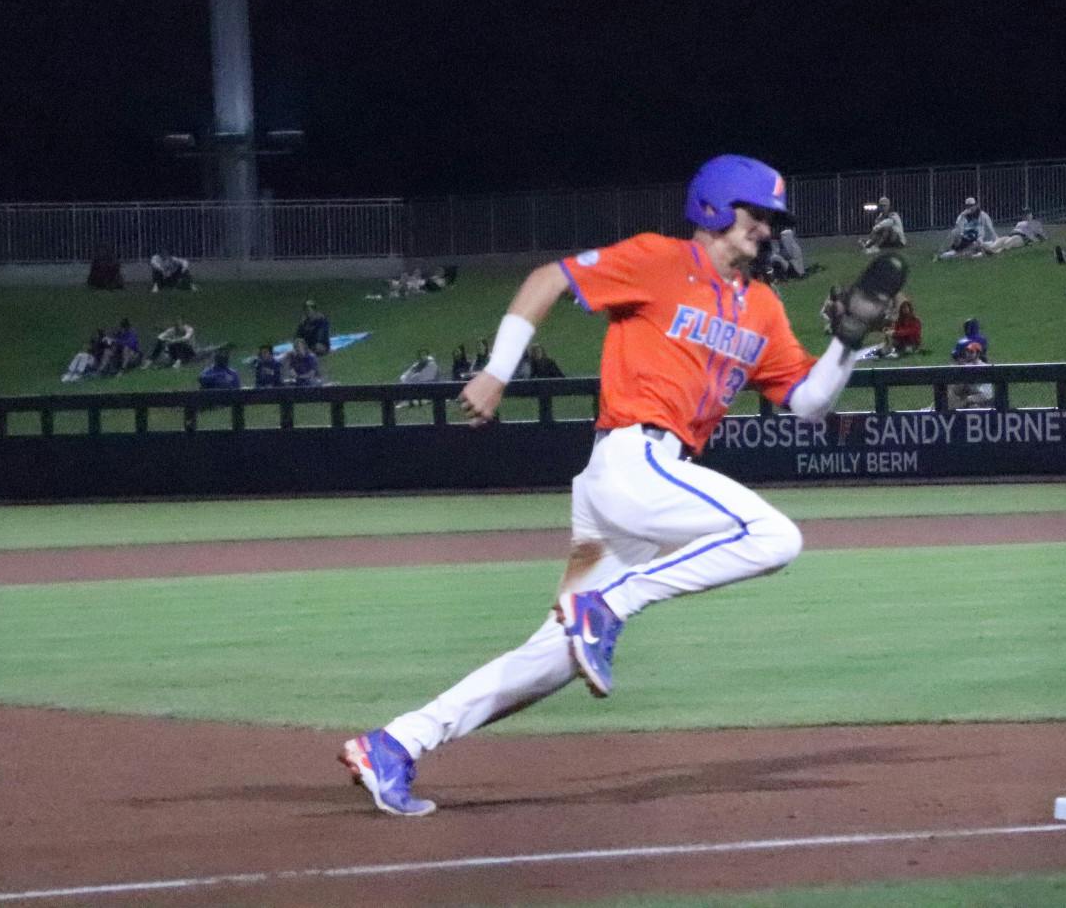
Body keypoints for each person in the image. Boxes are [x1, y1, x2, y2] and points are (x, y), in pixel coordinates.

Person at [339, 155, 903, 817]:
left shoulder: (763, 307)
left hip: (638, 490)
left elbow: (807, 403)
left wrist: (847, 343)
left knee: (551, 658)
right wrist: (497, 370)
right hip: (632, 459)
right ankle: (612, 606)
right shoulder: (658, 260)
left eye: (775, 218)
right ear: (717, 206)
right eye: (759, 212)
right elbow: (548, 278)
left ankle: (396, 743)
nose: (769, 227)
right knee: (775, 535)